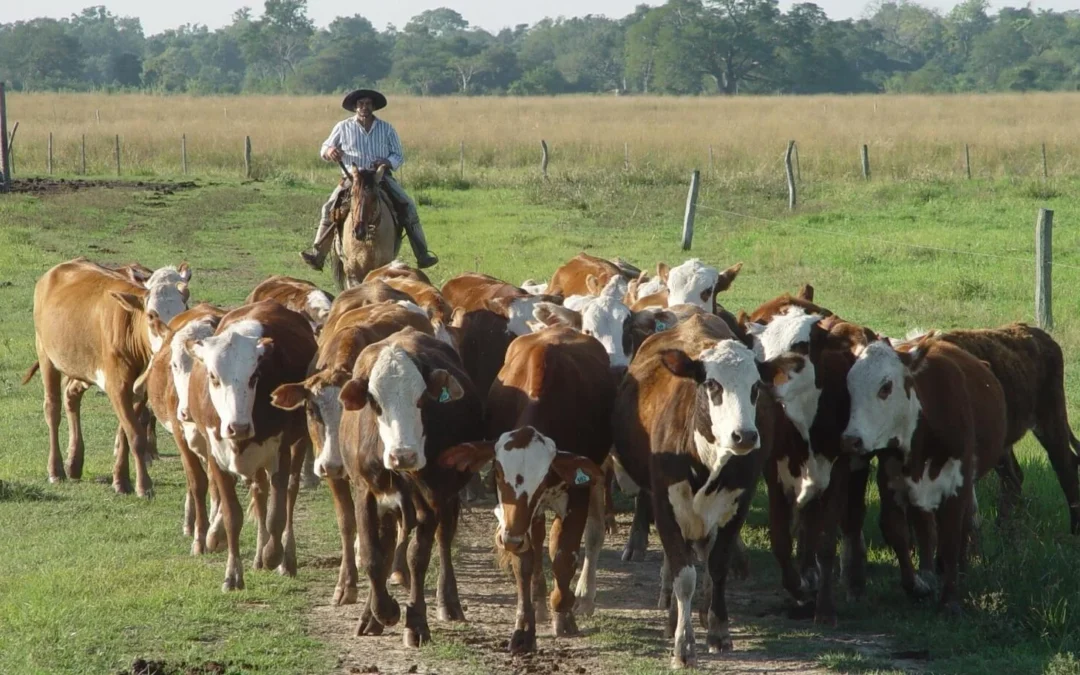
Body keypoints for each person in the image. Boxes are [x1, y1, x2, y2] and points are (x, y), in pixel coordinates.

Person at [300, 88, 438, 271]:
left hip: (379, 178)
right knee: (329, 208)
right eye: (360, 104)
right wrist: (329, 151)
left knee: (408, 205)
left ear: (373, 107)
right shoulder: (343, 127)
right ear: (355, 107)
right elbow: (325, 147)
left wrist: (387, 161)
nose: (364, 107)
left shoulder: (387, 128)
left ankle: (422, 254)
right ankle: (318, 254)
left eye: (367, 104)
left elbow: (398, 155)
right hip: (353, 178)